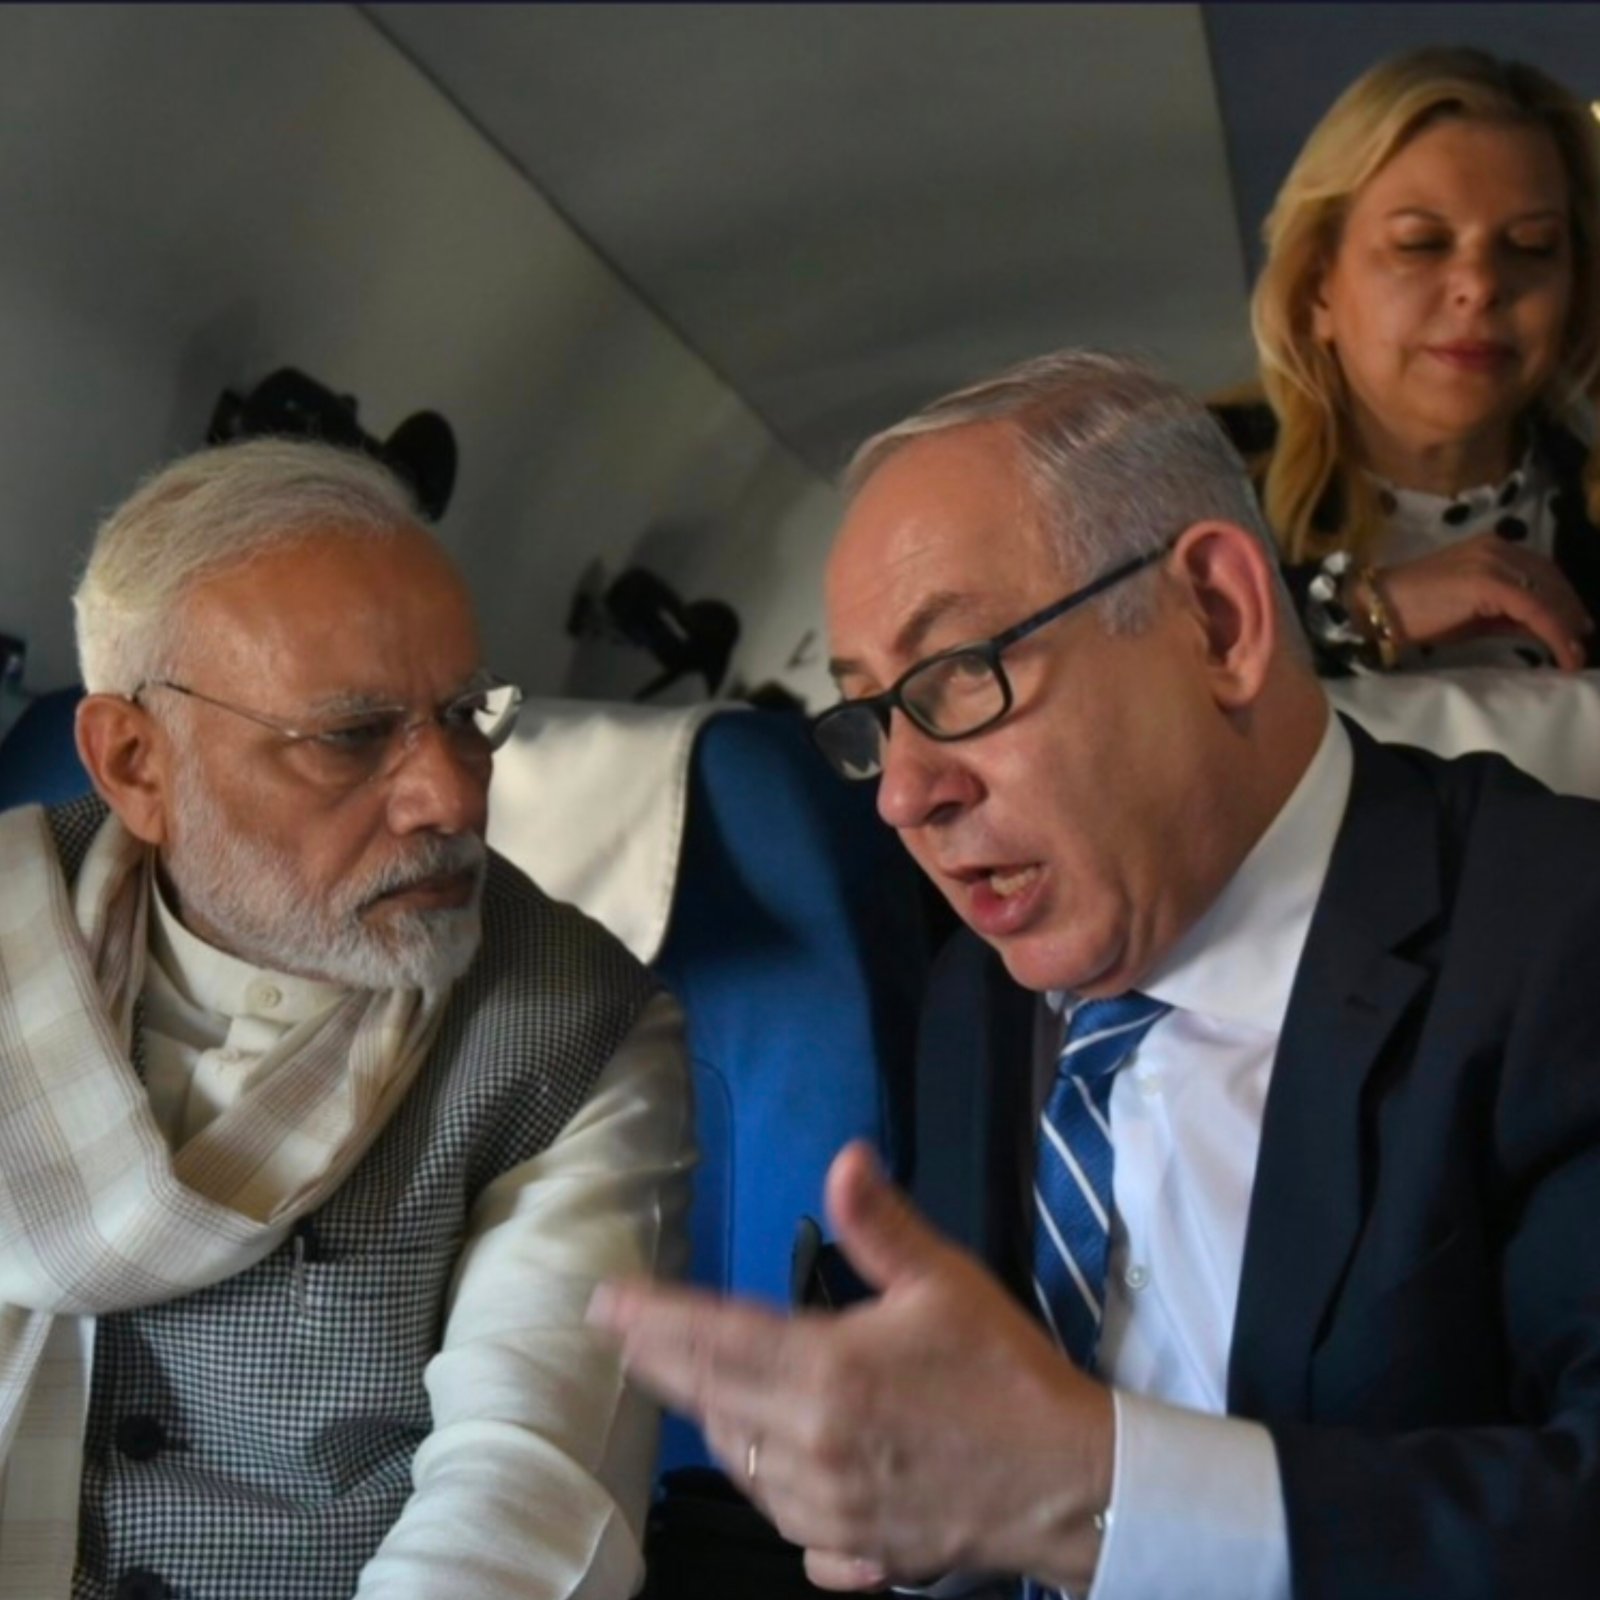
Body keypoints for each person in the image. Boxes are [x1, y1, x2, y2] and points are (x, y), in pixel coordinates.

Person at [590, 350, 1600, 1599]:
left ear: (1217, 621)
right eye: (870, 717)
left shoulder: (1556, 933)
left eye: (960, 675)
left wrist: (1092, 1493)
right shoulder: (975, 998)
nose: (904, 794)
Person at [0, 439, 693, 1600]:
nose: (453, 795)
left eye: (466, 715)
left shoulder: (576, 1029)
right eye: (351, 735)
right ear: (136, 764)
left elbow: (525, 1492)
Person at [1219, 46, 1600, 675]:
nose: (1480, 285)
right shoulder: (1183, 485)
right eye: (1421, 244)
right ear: (1318, 288)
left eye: (1531, 246)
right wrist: (1365, 608)